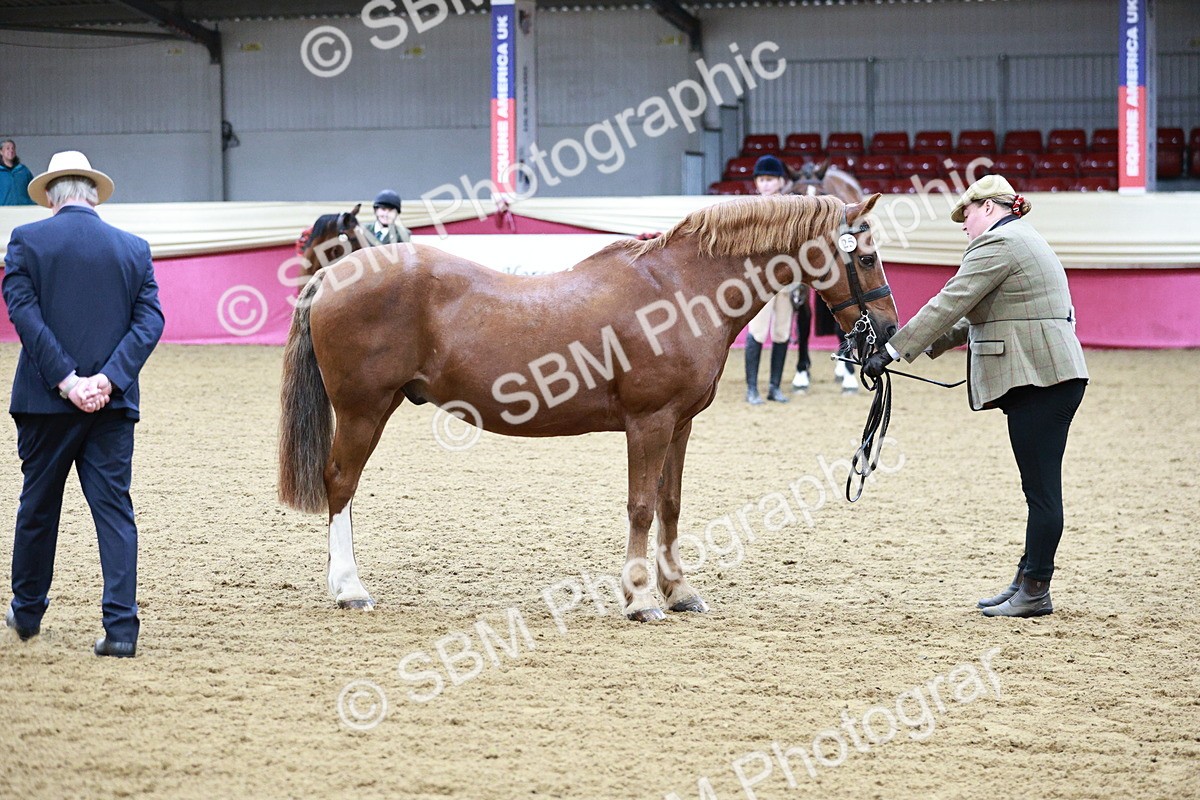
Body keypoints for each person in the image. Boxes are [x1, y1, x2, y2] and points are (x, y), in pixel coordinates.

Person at [863, 175, 1088, 618]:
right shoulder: (1021, 239)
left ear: (987, 207)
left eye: (965, 214)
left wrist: (891, 351)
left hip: (1041, 379)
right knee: (1037, 489)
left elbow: (951, 301)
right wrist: (921, 345)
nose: (964, 224)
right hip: (1047, 376)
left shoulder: (998, 244)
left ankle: (1036, 589)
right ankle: (1026, 581)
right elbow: (978, 317)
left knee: (1041, 492)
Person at [3, 151, 164, 657]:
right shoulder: (134, 248)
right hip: (112, 408)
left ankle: (27, 612)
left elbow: (24, 316)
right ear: (94, 196)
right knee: (115, 512)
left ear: (50, 197)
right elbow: (150, 322)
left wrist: (68, 381)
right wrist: (108, 380)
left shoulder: (26, 241)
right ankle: (121, 629)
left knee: (38, 507)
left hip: (44, 404)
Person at [744, 155, 797, 405]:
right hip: (761, 282)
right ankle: (752, 388)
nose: (765, 184)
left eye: (770, 179)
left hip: (786, 281)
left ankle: (774, 386)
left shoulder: (791, 210)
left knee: (782, 332)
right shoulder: (751, 211)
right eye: (762, 180)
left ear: (780, 182)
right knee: (757, 331)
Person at [1, 139, 35, 205]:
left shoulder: (23, 170)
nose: (11, 151)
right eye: (8, 148)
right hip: (3, 209)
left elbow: (33, 188)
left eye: (13, 148)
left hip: (23, 208)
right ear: (1, 152)